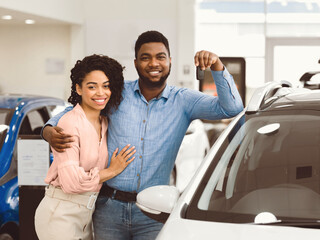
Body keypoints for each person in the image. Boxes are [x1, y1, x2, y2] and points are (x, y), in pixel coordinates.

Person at [42, 30, 244, 240]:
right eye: (145, 58)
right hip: (108, 208)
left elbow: (231, 108)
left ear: (170, 61)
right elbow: (80, 108)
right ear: (136, 63)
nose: (153, 63)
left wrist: (217, 67)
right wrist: (48, 129)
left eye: (160, 57)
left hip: (154, 211)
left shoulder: (184, 101)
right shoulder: (117, 93)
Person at [35, 54, 136, 240]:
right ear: (78, 89)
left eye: (106, 86)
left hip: (86, 216)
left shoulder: (104, 122)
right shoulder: (70, 123)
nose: (101, 93)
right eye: (92, 86)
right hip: (60, 214)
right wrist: (111, 171)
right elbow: (72, 182)